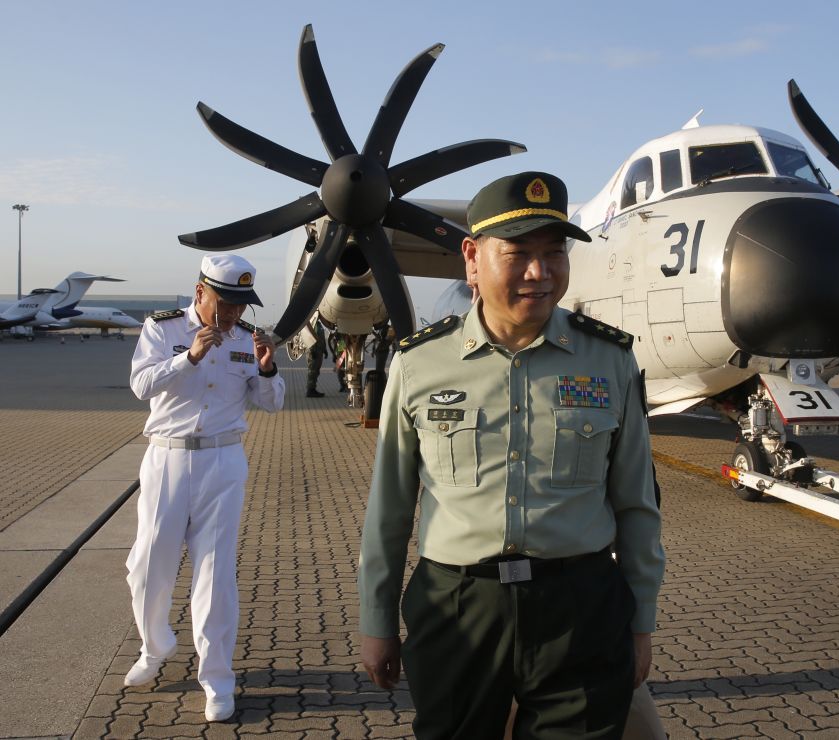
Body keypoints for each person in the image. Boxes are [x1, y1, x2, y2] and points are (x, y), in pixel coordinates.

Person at [358, 171, 665, 739]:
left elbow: (637, 504)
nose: (539, 273)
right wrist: (377, 620)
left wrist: (641, 620)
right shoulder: (419, 363)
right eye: (518, 253)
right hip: (457, 609)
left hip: (581, 606)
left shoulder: (610, 360)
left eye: (554, 253)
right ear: (472, 258)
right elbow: (390, 509)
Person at [125, 254, 285, 722]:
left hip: (223, 459)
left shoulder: (244, 340)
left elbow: (271, 404)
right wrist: (188, 357)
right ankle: (154, 647)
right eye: (225, 302)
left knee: (215, 576)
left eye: (241, 304)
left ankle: (217, 679)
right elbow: (140, 384)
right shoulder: (164, 329)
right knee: (147, 564)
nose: (233, 313)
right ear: (200, 293)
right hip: (167, 457)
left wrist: (269, 369)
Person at [305, 318, 327, 397]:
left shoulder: (319, 325)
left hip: (319, 351)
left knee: (316, 371)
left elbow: (321, 338)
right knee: (312, 371)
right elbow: (309, 337)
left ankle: (313, 388)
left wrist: (325, 350)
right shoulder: (311, 324)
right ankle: (310, 390)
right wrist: (311, 350)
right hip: (313, 351)